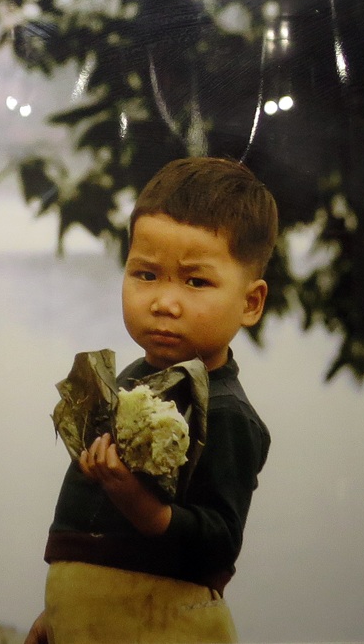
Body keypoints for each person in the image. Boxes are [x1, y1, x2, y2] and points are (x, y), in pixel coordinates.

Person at [26, 157, 277, 643]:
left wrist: (143, 506)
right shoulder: (128, 383)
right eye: (146, 274)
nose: (164, 302)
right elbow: (89, 531)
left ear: (250, 302)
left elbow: (218, 546)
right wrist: (60, 610)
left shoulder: (223, 414)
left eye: (196, 281)